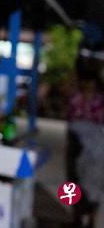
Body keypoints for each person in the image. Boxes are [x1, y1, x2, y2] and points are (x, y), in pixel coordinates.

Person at [66, 28, 104, 228]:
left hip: (94, 141)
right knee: (72, 178)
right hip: (76, 137)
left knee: (94, 178)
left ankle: (90, 216)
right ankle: (75, 215)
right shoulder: (77, 93)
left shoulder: (99, 96)